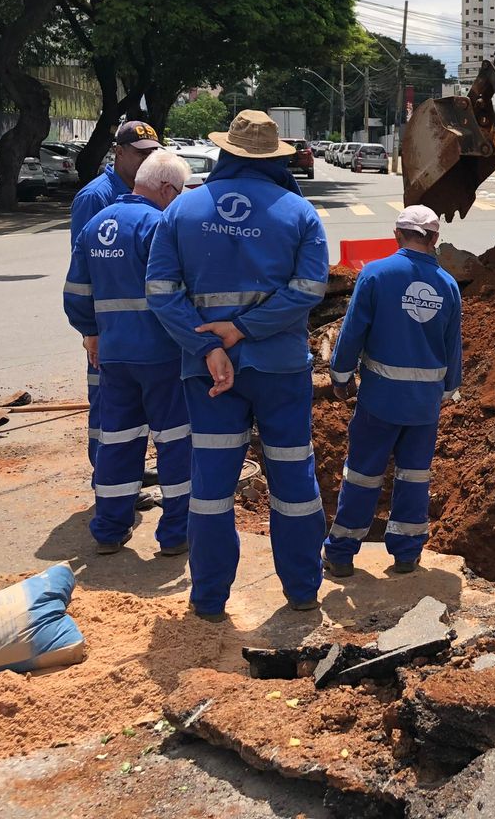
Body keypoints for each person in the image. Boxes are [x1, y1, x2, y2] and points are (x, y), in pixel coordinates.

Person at [146, 111, 330, 621]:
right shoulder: (298, 212)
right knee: (293, 481)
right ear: (273, 158)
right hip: (280, 370)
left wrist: (209, 345)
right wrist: (246, 329)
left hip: (209, 375)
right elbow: (310, 291)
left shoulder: (182, 211)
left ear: (226, 151)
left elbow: (161, 291)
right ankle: (302, 591)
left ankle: (208, 599)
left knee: (211, 488)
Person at [63, 150, 193, 555]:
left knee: (117, 441)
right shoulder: (159, 226)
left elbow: (76, 292)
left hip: (113, 357)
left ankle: (108, 529)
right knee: (174, 441)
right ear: (168, 189)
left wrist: (90, 332)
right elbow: (174, 291)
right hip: (161, 355)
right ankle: (175, 534)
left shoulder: (96, 224)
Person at [323, 205, 462, 579]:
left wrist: (340, 376)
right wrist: (448, 390)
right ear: (434, 239)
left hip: (380, 400)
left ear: (397, 234)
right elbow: (453, 347)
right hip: (424, 406)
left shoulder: (375, 275)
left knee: (363, 476)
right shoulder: (448, 286)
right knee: (415, 476)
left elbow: (353, 332)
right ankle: (405, 555)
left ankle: (340, 555)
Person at [71, 120, 164, 468]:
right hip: (107, 328)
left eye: (153, 154)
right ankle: (107, 476)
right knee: (108, 407)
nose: (147, 160)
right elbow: (84, 269)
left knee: (136, 408)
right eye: (140, 154)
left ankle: (130, 474)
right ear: (119, 153)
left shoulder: (150, 192)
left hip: (143, 327)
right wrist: (89, 332)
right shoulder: (96, 197)